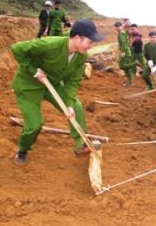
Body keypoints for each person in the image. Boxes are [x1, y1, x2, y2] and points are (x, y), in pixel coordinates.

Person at [11, 19, 104, 166]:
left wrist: (68, 104)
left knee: (76, 107)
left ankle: (80, 145)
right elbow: (16, 49)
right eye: (89, 41)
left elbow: (72, 81)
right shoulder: (50, 44)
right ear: (78, 38)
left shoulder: (81, 56)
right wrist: (33, 71)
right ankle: (22, 150)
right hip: (28, 85)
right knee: (34, 124)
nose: (90, 46)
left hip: (51, 85)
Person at [142, 31, 156, 95]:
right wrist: (149, 61)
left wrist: (155, 68)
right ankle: (150, 86)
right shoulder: (146, 45)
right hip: (150, 63)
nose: (152, 39)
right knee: (144, 75)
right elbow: (146, 54)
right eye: (151, 37)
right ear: (149, 37)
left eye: (154, 37)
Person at [114, 21, 136, 86]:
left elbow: (123, 43)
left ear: (121, 26)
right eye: (116, 27)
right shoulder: (123, 32)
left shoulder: (121, 33)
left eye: (118, 26)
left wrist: (123, 52)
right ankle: (130, 82)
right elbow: (127, 42)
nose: (117, 28)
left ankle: (134, 63)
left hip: (125, 52)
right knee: (126, 68)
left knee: (122, 66)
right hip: (126, 51)